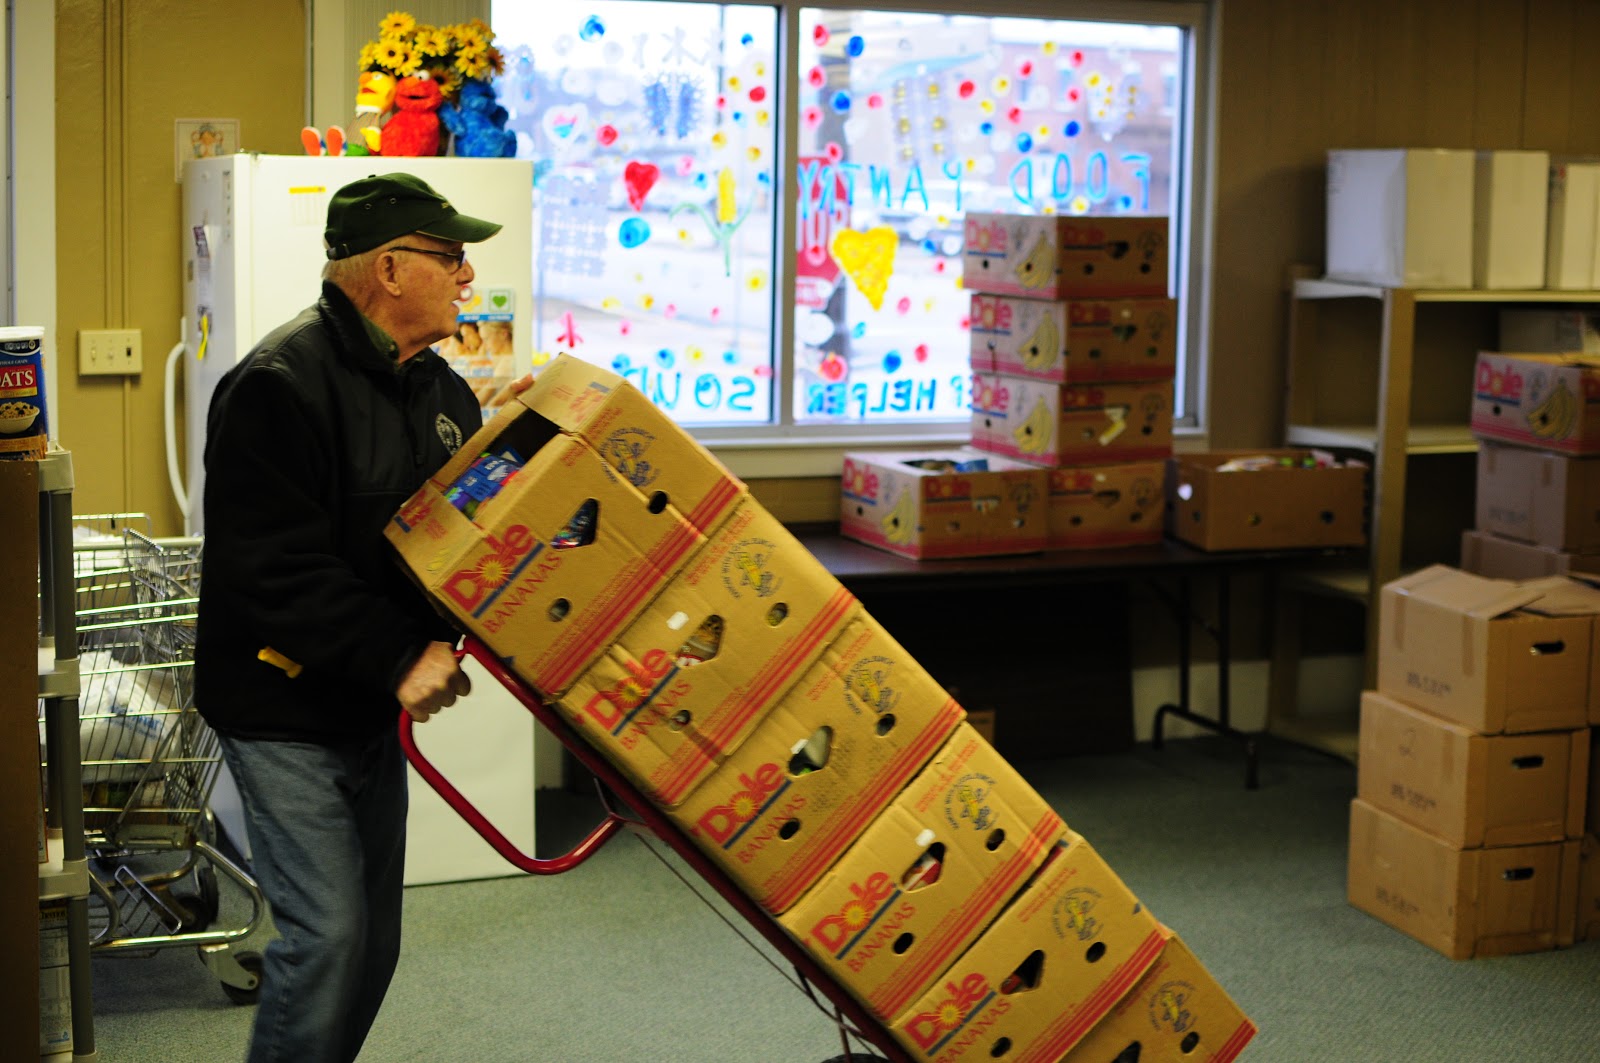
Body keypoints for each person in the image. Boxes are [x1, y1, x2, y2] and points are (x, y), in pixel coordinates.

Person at [194, 172, 523, 1063]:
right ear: (388, 267)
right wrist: (396, 656)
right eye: (450, 256)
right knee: (329, 935)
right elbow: (271, 569)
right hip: (280, 702)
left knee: (374, 942)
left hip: (363, 703)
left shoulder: (444, 395)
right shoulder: (278, 384)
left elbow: (451, 540)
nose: (466, 276)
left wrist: (527, 446)